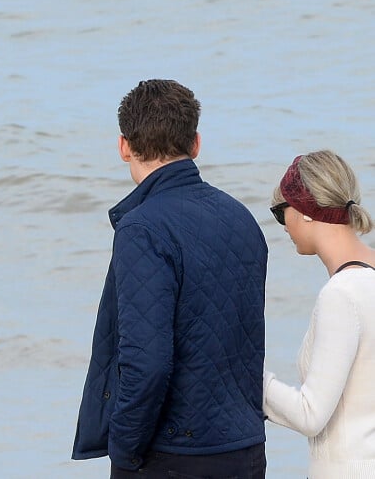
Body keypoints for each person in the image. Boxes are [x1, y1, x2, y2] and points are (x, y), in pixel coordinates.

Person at [71, 79, 268, 478]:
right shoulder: (241, 218)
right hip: (244, 449)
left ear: (124, 146)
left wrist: (124, 450)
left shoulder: (142, 229)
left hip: (171, 455)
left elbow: (147, 362)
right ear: (195, 143)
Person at [264, 150, 375, 478]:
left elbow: (311, 414)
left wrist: (248, 376)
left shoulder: (341, 295)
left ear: (305, 211)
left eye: (279, 212)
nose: (283, 225)